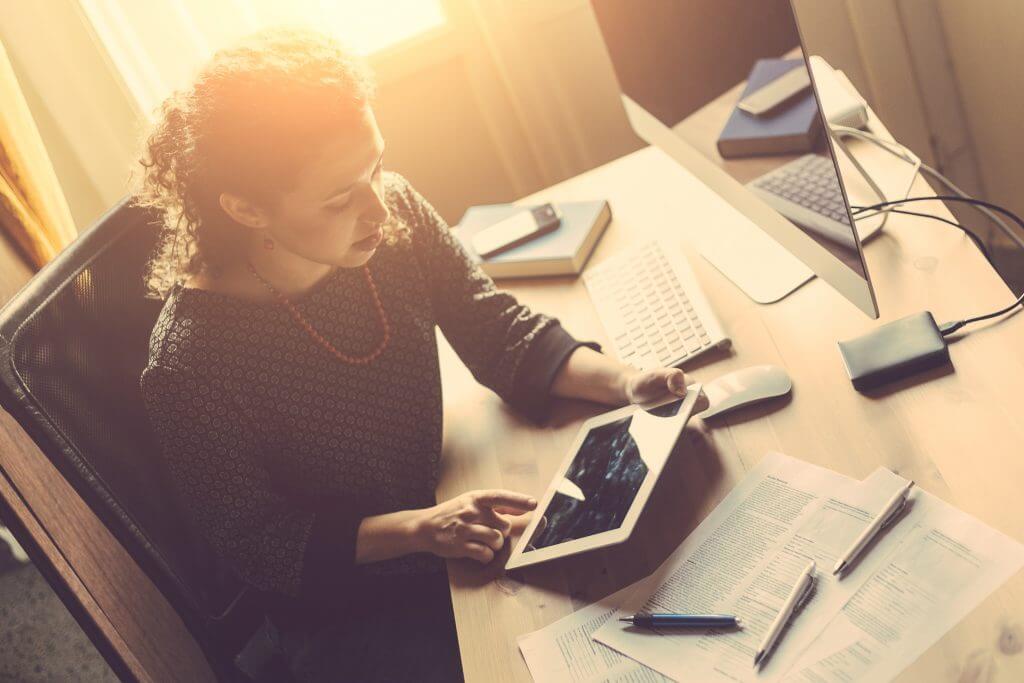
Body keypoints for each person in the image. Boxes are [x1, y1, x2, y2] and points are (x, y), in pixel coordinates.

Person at [134, 27, 703, 682]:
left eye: (373, 166)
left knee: (658, 571)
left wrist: (629, 381)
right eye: (339, 196)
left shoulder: (391, 210)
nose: (377, 204)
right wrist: (417, 529)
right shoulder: (190, 366)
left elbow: (495, 328)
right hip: (354, 602)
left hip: (450, 517)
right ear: (246, 208)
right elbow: (262, 546)